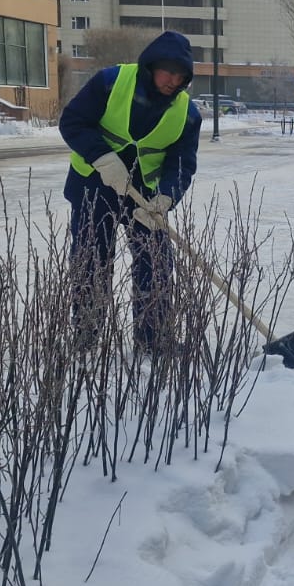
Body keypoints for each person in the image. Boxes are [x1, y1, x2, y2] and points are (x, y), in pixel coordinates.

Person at [59, 30, 200, 353]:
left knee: (156, 261)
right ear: (151, 66)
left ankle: (153, 338)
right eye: (168, 72)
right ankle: (86, 336)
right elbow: (73, 121)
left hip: (145, 196)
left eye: (181, 76)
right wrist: (101, 156)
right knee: (91, 260)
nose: (173, 81)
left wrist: (166, 197)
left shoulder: (187, 113)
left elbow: (181, 164)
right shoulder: (110, 82)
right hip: (94, 184)